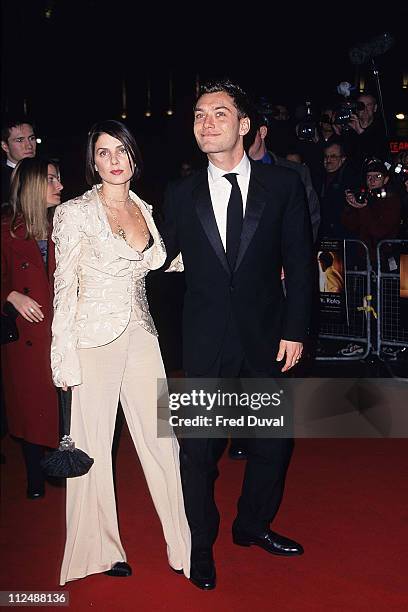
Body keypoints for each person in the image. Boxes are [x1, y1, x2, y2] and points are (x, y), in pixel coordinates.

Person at [161, 79, 314, 590]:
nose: (205, 122)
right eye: (199, 114)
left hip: (268, 337)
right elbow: (157, 263)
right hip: (204, 342)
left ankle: (252, 525)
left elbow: (299, 260)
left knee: (272, 443)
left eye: (219, 114)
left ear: (244, 126)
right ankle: (200, 544)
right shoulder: (180, 194)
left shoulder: (285, 185)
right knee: (198, 452)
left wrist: (296, 329)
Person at [50, 120, 190, 585]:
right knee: (93, 448)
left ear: (134, 157)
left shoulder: (143, 208)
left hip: (142, 334)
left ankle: (184, 544)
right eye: (103, 152)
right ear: (92, 161)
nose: (113, 160)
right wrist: (62, 357)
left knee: (163, 441)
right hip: (92, 339)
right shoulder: (74, 213)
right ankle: (98, 551)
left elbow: (162, 261)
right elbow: (63, 286)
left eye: (121, 151)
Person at [1, 157, 62, 498]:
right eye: (52, 179)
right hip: (24, 338)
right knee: (27, 406)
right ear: (34, 185)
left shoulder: (63, 225)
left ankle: (55, 462)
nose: (60, 186)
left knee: (57, 401)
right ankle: (34, 473)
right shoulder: (7, 229)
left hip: (58, 332)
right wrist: (11, 295)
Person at [1, 117, 37, 206]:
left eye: (31, 138)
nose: (29, 146)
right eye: (20, 140)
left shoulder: (47, 171)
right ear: (5, 146)